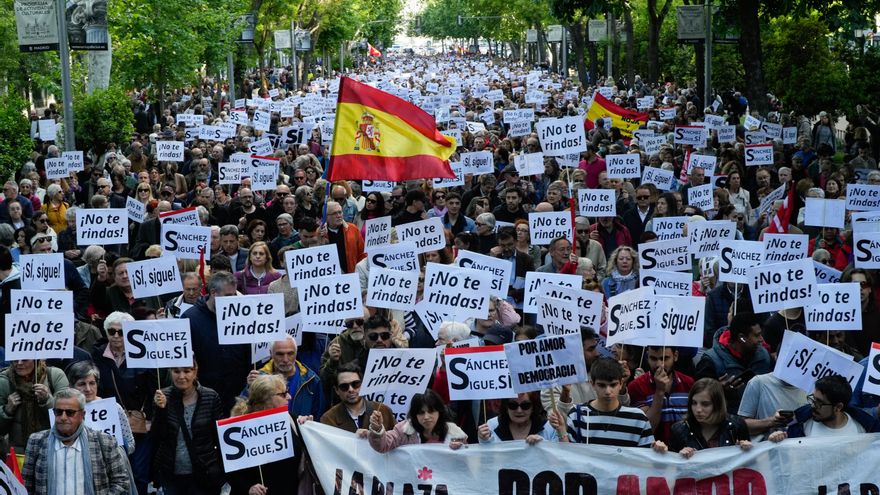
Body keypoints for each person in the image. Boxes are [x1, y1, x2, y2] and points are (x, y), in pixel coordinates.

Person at [23, 388, 131, 495]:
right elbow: (26, 485)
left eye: (70, 412)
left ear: (82, 415)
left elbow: (121, 482)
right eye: (58, 412)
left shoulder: (104, 442)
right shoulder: (36, 441)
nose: (63, 417)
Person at [151, 360, 225, 495]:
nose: (181, 376)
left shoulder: (211, 396)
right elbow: (157, 436)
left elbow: (220, 438)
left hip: (204, 474)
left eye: (186, 371)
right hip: (172, 475)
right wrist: (161, 410)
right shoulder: (161, 396)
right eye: (176, 371)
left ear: (195, 371)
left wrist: (220, 471)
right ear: (170, 372)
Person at [183, 272, 251, 413]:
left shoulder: (241, 316)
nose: (232, 300)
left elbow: (248, 353)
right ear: (213, 292)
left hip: (238, 397)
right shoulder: (190, 319)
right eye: (228, 296)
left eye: (234, 295)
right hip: (204, 398)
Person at [550, 357, 654, 447]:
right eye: (601, 385)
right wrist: (561, 430)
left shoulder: (638, 418)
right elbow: (569, 456)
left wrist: (658, 450)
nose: (608, 391)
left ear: (621, 384)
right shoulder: (577, 415)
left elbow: (646, 458)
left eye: (613, 385)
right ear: (592, 384)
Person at [226, 375, 298, 495]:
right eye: (283, 394)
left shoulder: (291, 419)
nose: (289, 397)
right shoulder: (239, 427)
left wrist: (306, 427)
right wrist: (248, 487)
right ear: (266, 399)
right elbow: (230, 467)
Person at [696, 312, 773, 414]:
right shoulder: (711, 360)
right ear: (742, 337)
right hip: (728, 420)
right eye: (757, 335)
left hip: (764, 419)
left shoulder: (764, 356)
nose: (761, 340)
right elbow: (698, 397)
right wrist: (719, 389)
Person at [660, 378, 752, 458]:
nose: (698, 409)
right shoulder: (679, 430)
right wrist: (679, 457)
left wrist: (747, 450)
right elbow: (671, 467)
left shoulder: (736, 425)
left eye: (705, 404)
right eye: (694, 403)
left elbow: (748, 464)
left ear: (717, 405)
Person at [773, 375, 880, 440]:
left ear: (838, 407)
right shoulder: (802, 424)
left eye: (820, 402)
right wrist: (778, 438)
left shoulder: (864, 428)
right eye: (813, 399)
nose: (813, 405)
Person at [67, 361, 136, 455]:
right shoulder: (64, 412)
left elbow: (130, 444)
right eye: (82, 384)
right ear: (71, 387)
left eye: (92, 383)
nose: (88, 389)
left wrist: (113, 451)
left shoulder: (114, 408)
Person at [0, 359, 69, 453]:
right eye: (15, 360)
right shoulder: (4, 381)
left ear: (35, 360)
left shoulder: (55, 376)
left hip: (52, 450)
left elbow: (67, 416)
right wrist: (7, 410)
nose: (19, 363)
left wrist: (47, 400)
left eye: (25, 359)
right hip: (18, 455)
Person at [246, 336, 324, 419]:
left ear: (296, 353)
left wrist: (307, 423)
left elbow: (318, 418)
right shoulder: (257, 379)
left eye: (290, 354)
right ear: (271, 353)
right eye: (280, 354)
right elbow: (245, 412)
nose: (285, 360)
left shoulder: (312, 380)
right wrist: (250, 387)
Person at [627, 346, 694, 443]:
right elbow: (647, 428)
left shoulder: (688, 383)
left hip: (685, 449)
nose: (659, 365)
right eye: (653, 358)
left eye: (665, 358)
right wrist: (659, 391)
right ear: (647, 357)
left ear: (675, 356)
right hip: (653, 449)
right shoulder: (636, 386)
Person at [368, 389, 468, 452]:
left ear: (440, 411)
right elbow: (382, 446)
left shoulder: (456, 435)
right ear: (414, 415)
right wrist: (377, 429)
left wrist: (460, 451)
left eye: (431, 411)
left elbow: (464, 467)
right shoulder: (403, 431)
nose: (426, 417)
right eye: (421, 413)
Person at [317, 362, 395, 434]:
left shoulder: (383, 411)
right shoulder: (329, 419)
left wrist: (378, 432)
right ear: (337, 390)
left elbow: (397, 440)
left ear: (363, 384)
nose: (351, 390)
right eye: (344, 386)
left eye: (355, 384)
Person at [478, 392, 558, 444]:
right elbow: (487, 459)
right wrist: (484, 440)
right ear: (506, 407)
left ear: (533, 407)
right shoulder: (491, 425)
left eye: (525, 406)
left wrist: (543, 445)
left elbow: (557, 457)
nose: (519, 410)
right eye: (513, 405)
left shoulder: (548, 427)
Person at [323, 201, 364, 273]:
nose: (339, 216)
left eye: (340, 212)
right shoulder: (320, 233)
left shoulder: (352, 229)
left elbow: (362, 253)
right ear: (326, 216)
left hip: (352, 274)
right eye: (334, 213)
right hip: (330, 275)